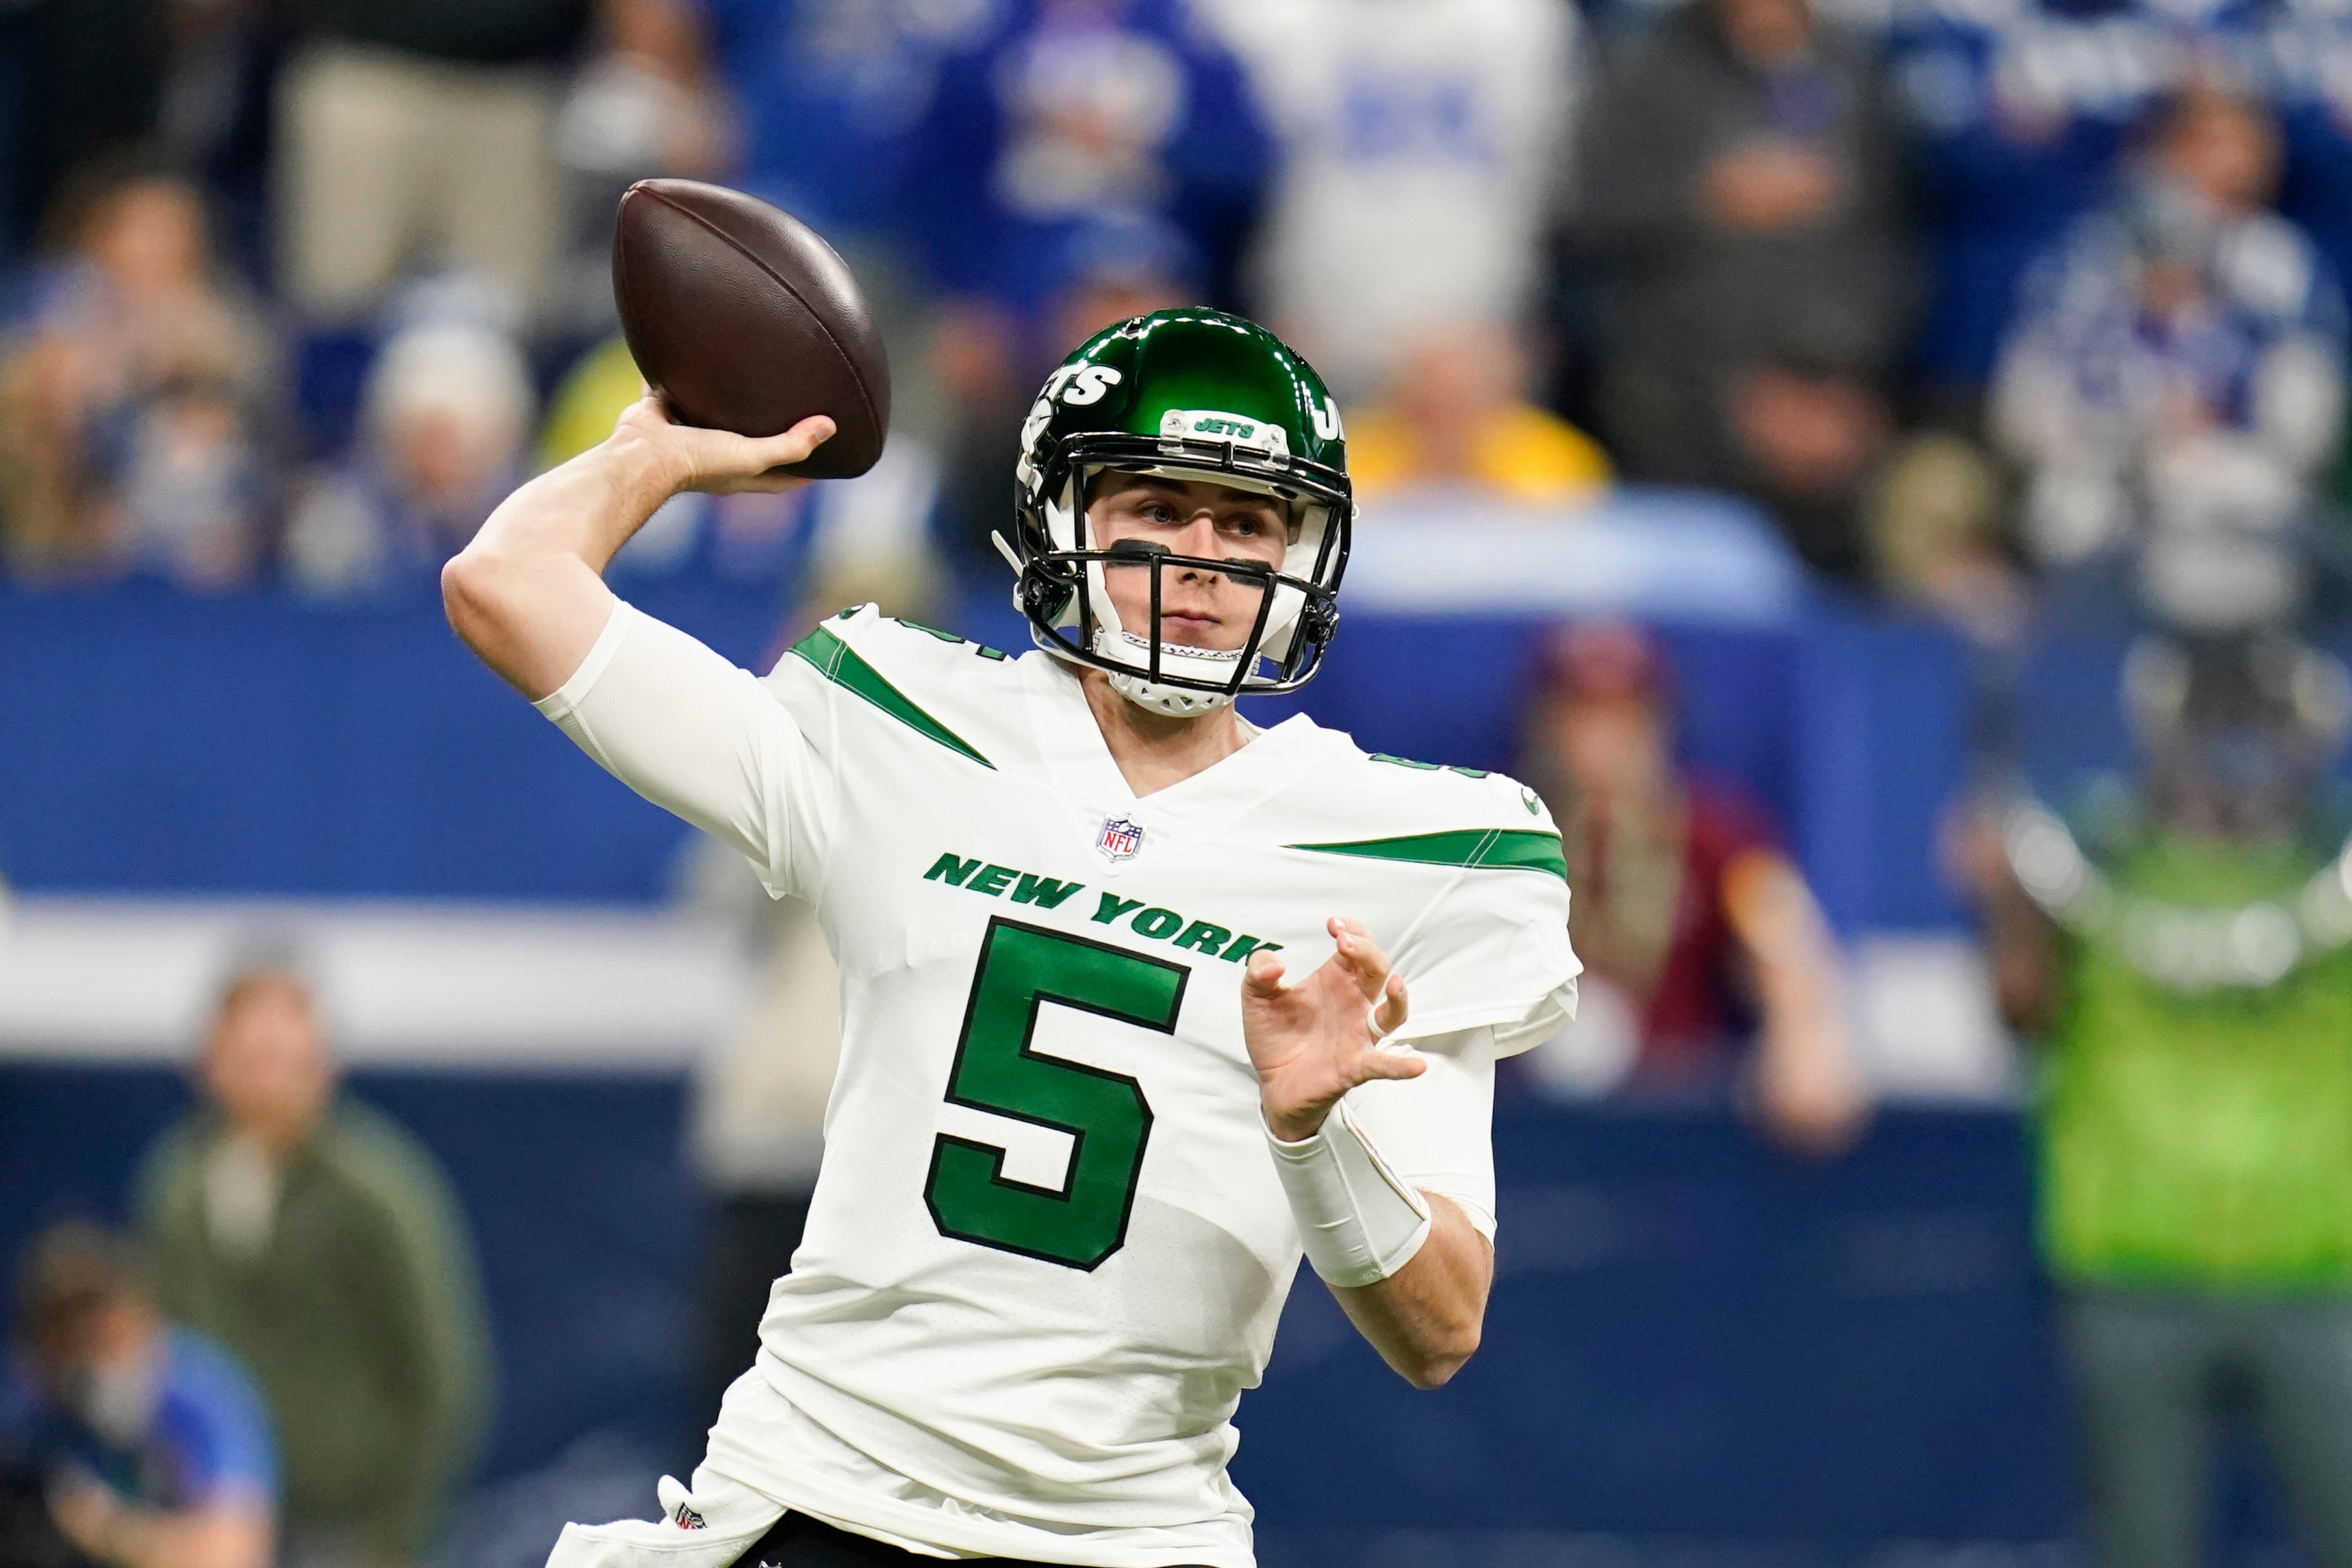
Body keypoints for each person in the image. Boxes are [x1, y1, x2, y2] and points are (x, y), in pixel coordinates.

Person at [442, 307, 1580, 1567]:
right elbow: (506, 585)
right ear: (1064, 519)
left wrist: (1310, 1136)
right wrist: (651, 456)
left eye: (1246, 520)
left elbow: (1439, 1326)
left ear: (1308, 553)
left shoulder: (1413, 856)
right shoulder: (901, 723)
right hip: (822, 1491)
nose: (1201, 554)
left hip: (1131, 1535)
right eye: (1155, 503)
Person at [1954, 633, 2352, 1568]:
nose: (2237, 752)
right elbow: (2020, 1011)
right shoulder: (2084, 858)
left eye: (2258, 725)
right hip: (2133, 1264)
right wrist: (2003, 899)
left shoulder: (2330, 861)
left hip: (2318, 1268)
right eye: (2213, 725)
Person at [133, 964, 491, 1568]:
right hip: (215, 1519)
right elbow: (159, 1347)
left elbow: (443, 1376)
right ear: (209, 1061)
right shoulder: (177, 1186)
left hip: (345, 1531)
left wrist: (393, 1537)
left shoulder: (378, 1193)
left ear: (323, 1064)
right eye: (251, 1054)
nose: (268, 1077)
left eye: (286, 1056)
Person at [1576, 0, 1910, 577]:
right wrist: (1703, 199)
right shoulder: (1648, 65)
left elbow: (1896, 233)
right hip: (1683, 412)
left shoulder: (1855, 70)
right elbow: (1589, 218)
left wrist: (1840, 384)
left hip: (1831, 408)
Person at [1516, 621, 1866, 1156]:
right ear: (1543, 725)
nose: (1603, 740)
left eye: (1626, 716)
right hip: (1522, 1125)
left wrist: (1804, 1035)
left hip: (1677, 1124)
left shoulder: (1718, 834)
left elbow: (1787, 944)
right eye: (1581, 715)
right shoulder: (1492, 830)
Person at [1990, 83, 2345, 597]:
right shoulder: (2080, 259)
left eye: (2248, 144)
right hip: (2104, 468)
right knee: (2071, 513)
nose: (2237, 163)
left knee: (2256, 500)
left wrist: (2215, 440)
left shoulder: (2279, 264)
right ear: (2164, 151)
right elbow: (2024, 405)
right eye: (2214, 144)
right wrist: (2126, 435)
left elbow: (2307, 418)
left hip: (2231, 471)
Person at [0, 1220, 275, 1568]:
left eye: (110, 1342)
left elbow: (233, 1556)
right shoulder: (28, 1418)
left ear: (143, 1319)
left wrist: (109, 1530)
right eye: (78, 1351)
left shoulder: (204, 1393)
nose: (100, 1365)